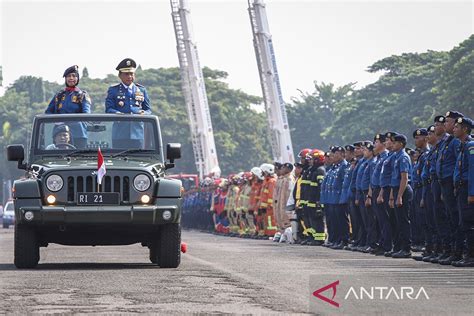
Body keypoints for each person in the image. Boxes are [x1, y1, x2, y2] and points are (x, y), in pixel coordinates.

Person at [105, 58, 151, 148]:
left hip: (137, 133)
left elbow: (148, 110)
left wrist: (143, 113)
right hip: (119, 133)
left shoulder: (142, 90)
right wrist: (117, 113)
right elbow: (108, 109)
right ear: (120, 76)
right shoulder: (113, 90)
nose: (129, 76)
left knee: (138, 159)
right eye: (126, 74)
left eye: (131, 74)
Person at [45, 65, 91, 148]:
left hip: (78, 134)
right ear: (65, 79)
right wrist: (57, 121)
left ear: (77, 78)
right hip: (60, 133)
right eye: (69, 76)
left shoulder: (82, 95)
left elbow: (86, 114)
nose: (71, 78)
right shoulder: (59, 95)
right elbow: (48, 112)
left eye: (74, 76)